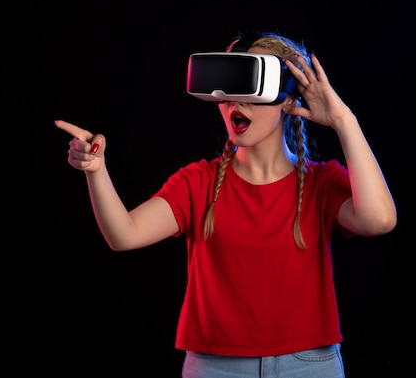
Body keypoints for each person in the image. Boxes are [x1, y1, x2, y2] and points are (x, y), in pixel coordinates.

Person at [55, 31, 396, 378]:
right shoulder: (198, 183)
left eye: (248, 88)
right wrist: (96, 171)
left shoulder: (321, 183)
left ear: (287, 100)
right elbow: (124, 235)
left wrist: (343, 120)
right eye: (227, 90)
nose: (235, 104)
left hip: (310, 363)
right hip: (215, 366)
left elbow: (379, 220)